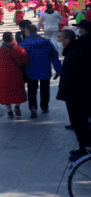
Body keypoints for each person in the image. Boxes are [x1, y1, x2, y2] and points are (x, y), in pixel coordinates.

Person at [56, 26, 91, 161]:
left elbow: (74, 75)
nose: (59, 41)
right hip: (76, 93)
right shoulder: (76, 49)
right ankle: (85, 148)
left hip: (76, 94)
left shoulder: (75, 51)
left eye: (60, 38)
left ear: (67, 40)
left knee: (79, 123)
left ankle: (85, 150)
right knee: (79, 123)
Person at [19, 24, 61, 118]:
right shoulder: (47, 42)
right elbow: (55, 56)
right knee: (45, 89)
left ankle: (33, 107)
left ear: (28, 32)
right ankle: (44, 107)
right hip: (45, 70)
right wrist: (58, 70)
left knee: (32, 90)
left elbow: (19, 58)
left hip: (30, 71)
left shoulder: (23, 43)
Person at [0, 32, 29, 118]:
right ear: (13, 38)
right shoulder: (20, 49)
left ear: (3, 39)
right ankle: (17, 107)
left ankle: (9, 112)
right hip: (17, 74)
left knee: (5, 94)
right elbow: (25, 61)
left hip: (4, 76)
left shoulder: (0, 49)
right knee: (18, 91)